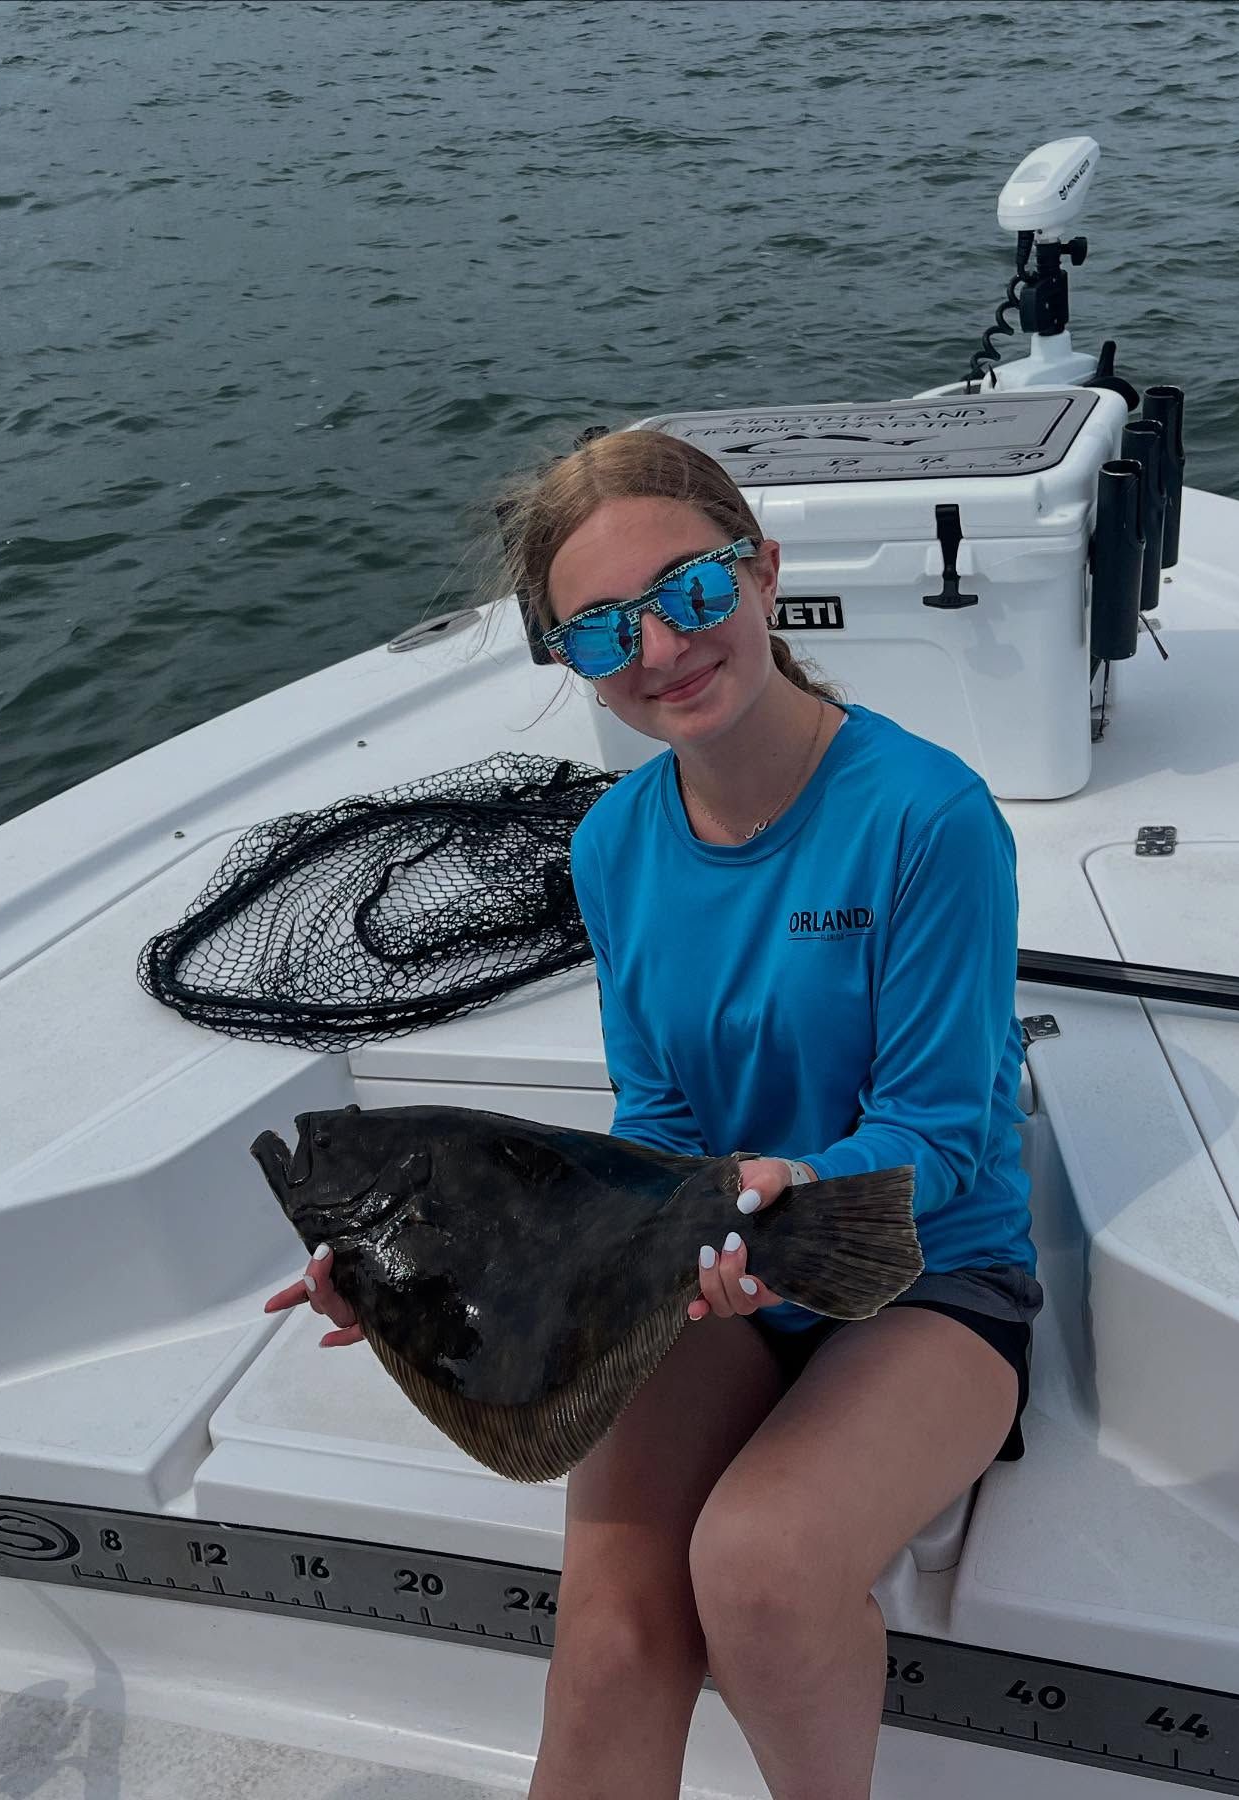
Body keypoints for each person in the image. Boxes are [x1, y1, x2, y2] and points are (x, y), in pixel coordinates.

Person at [264, 427, 1042, 1800]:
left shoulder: (931, 816)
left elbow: (940, 1138)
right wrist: (415, 1281)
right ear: (571, 662)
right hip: (708, 1261)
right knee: (614, 1637)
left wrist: (750, 1206)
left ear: (763, 573)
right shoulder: (613, 844)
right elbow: (659, 1112)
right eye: (602, 630)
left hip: (928, 1275)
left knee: (756, 1568)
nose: (662, 649)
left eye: (690, 591)